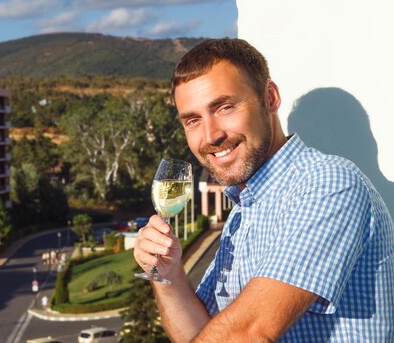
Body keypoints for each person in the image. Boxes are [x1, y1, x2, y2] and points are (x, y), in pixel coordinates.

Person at [133, 38, 394, 342]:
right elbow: (202, 334)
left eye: (225, 107)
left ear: (269, 98)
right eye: (193, 120)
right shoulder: (244, 211)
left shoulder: (329, 184)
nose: (211, 135)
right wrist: (169, 276)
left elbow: (249, 333)